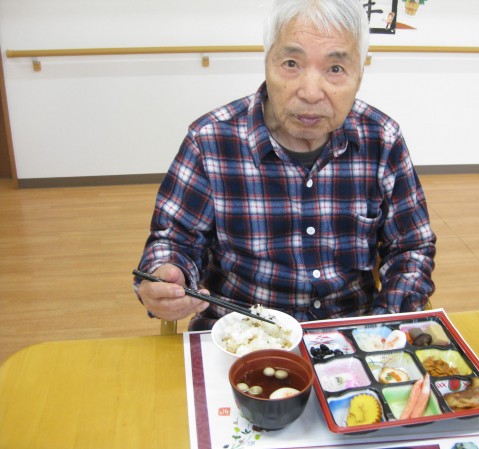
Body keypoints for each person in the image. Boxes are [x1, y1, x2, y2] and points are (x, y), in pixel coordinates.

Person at [134, 0, 436, 330]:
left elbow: (411, 247)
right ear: (267, 63)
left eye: (335, 69)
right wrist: (167, 274)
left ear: (359, 76)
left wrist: (382, 328)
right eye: (292, 63)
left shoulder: (382, 139)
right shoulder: (209, 140)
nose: (310, 93)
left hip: (349, 335)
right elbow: (174, 240)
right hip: (238, 335)